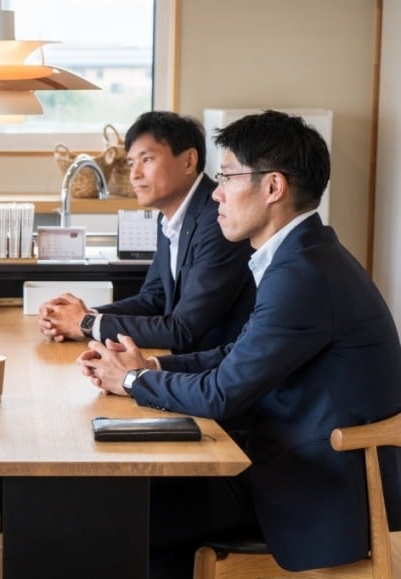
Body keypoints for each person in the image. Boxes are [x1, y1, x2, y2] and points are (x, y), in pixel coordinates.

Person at [76, 110, 401, 577]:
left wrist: (130, 379)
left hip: (312, 487)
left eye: (228, 176)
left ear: (273, 188)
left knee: (126, 515)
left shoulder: (303, 274)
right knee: (141, 501)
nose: (216, 191)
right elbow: (237, 354)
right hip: (292, 461)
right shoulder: (301, 255)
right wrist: (153, 366)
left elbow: (223, 392)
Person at [38, 111, 255, 353]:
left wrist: (85, 323)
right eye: (131, 163)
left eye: (147, 160)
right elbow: (154, 300)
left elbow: (184, 330)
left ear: (189, 161)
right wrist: (80, 316)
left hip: (216, 372)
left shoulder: (218, 219)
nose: (134, 174)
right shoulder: (170, 216)